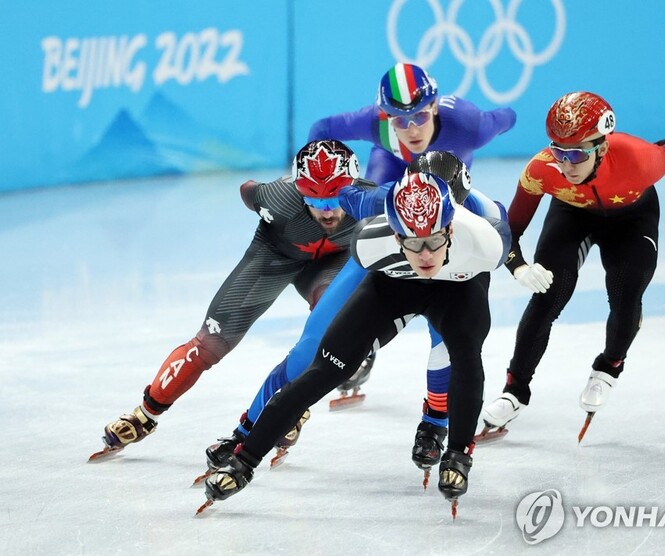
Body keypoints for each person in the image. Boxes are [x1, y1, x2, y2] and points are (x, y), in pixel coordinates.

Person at [203, 62, 516, 469]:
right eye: (399, 120)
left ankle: (434, 422)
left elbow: (506, 118)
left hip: (439, 245)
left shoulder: (469, 124)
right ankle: (246, 433)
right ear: (385, 116)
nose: (411, 128)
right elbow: (320, 135)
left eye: (420, 115)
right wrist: (314, 184)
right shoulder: (376, 140)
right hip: (384, 242)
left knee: (450, 341)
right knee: (309, 348)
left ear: (437, 106)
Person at [198, 171, 512, 515]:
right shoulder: (369, 242)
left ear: (451, 230)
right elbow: (352, 196)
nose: (424, 255)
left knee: (466, 357)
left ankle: (457, 453)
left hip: (459, 289)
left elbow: (504, 227)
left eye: (434, 240)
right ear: (395, 234)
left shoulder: (485, 243)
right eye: (411, 241)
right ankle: (245, 460)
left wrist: (522, 265)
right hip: (393, 287)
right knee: (324, 369)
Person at [90, 140, 370, 459]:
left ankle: (293, 404)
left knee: (329, 329)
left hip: (331, 265)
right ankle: (145, 414)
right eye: (312, 198)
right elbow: (246, 189)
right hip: (272, 258)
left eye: (334, 197)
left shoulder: (371, 203)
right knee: (208, 344)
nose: (326, 210)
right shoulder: (274, 198)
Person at [479, 91, 665, 441]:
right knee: (547, 298)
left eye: (575, 153)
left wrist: (663, 149)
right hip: (571, 214)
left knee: (625, 292)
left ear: (601, 148)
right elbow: (508, 232)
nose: (566, 163)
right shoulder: (541, 170)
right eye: (558, 151)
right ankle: (514, 391)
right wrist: (518, 267)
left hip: (632, 219)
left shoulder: (641, 160)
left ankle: (608, 367)